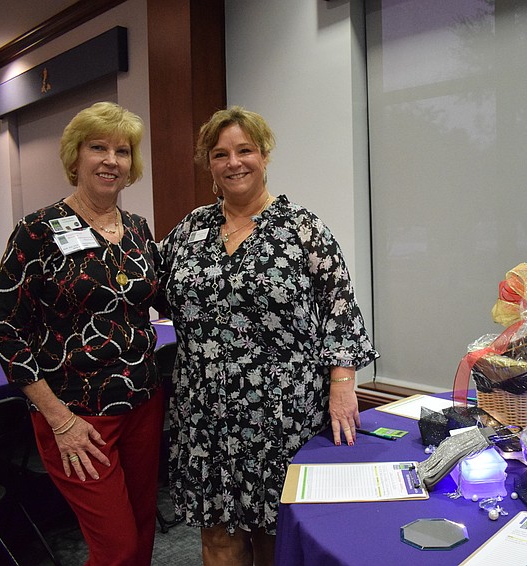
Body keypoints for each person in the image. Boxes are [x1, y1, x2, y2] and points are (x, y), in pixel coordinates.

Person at [159, 107, 378, 565]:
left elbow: (340, 308)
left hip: (282, 413)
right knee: (217, 534)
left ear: (264, 156)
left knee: (275, 537)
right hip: (205, 412)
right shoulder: (190, 229)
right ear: (209, 164)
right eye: (220, 154)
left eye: (245, 150)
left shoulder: (302, 228)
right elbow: (146, 289)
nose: (234, 162)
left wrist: (342, 385)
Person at [0, 102, 164, 565]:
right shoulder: (37, 231)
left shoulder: (138, 229)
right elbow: (7, 332)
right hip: (77, 415)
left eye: (122, 151)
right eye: (98, 148)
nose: (111, 160)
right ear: (75, 156)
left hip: (143, 403)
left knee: (142, 531)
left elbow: (166, 299)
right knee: (116, 547)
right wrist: (59, 420)